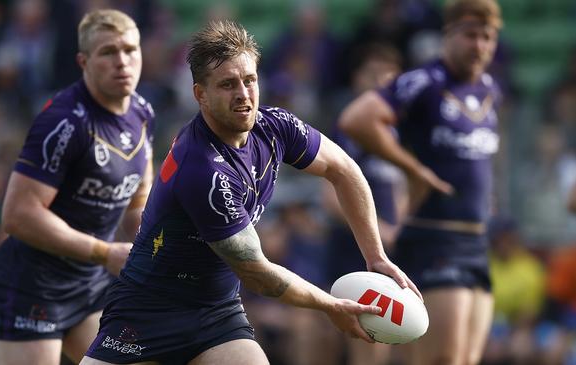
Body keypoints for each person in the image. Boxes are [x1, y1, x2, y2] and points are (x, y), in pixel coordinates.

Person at [80, 20, 419, 365]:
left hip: (216, 314)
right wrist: (329, 305)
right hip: (148, 312)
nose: (243, 94)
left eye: (250, 79)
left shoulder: (276, 127)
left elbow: (344, 170)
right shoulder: (202, 167)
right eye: (228, 84)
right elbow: (256, 272)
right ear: (200, 94)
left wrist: (375, 257)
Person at [338, 0, 503, 364]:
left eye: (487, 36)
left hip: (476, 241)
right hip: (435, 238)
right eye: (470, 35)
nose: (479, 45)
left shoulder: (490, 89)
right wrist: (414, 170)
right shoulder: (425, 81)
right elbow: (358, 118)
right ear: (449, 35)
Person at [0, 9, 156, 365]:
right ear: (83, 61)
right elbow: (18, 216)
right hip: (33, 285)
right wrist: (104, 253)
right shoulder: (63, 121)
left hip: (90, 284)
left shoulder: (142, 113)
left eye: (130, 50)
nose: (122, 61)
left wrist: (162, 245)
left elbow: (138, 203)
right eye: (108, 52)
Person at [324, 43, 405, 365]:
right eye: (373, 73)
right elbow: (330, 197)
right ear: (357, 79)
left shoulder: (397, 132)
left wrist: (401, 230)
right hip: (354, 248)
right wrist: (382, 233)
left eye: (389, 75)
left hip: (392, 249)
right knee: (360, 335)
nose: (382, 81)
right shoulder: (347, 131)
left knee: (389, 335)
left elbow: (401, 191)